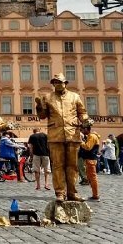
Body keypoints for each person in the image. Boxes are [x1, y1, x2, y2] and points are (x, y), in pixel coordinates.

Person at [36, 72, 88, 202]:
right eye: (55, 82)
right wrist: (39, 107)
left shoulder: (75, 97)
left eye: (60, 82)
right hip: (55, 135)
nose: (58, 84)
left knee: (72, 166)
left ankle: (72, 192)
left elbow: (82, 113)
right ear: (53, 84)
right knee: (57, 166)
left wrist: (86, 120)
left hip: (72, 134)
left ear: (65, 83)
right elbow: (42, 116)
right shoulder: (47, 97)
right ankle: (60, 192)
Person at [79, 119, 100, 201]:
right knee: (91, 178)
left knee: (92, 178)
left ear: (86, 129)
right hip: (89, 159)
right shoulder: (91, 136)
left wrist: (80, 142)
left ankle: (96, 195)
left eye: (82, 129)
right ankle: (94, 194)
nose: (82, 131)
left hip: (91, 159)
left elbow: (88, 147)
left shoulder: (92, 136)